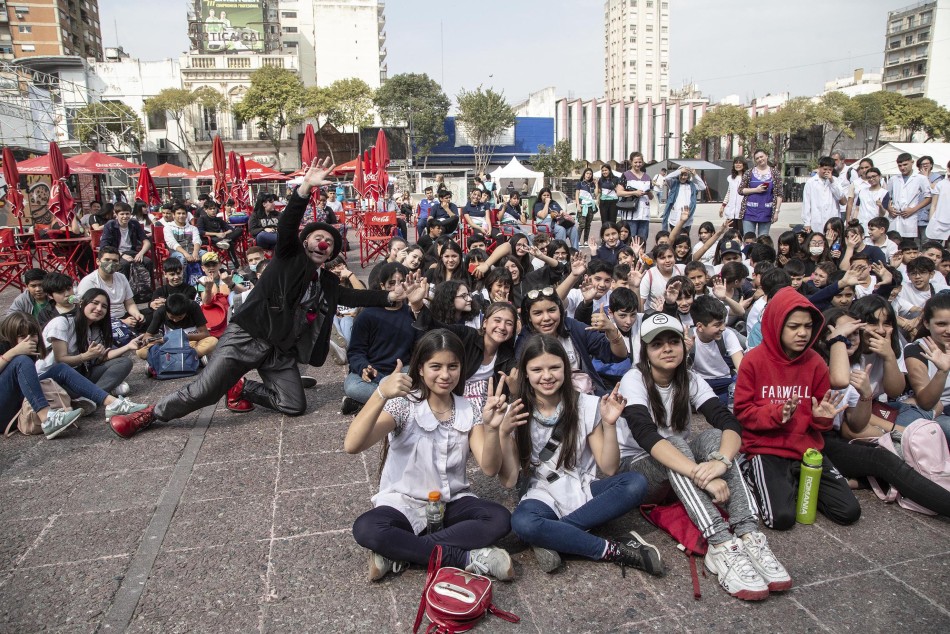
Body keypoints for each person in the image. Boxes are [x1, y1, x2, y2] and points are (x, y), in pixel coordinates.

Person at [108, 159, 419, 438]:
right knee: (204, 392)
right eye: (318, 238)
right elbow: (287, 225)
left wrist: (389, 295)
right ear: (305, 242)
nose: (323, 243)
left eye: (329, 242)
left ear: (330, 255)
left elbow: (352, 294)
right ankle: (149, 414)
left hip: (277, 351)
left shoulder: (325, 280)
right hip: (247, 336)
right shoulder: (287, 257)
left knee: (294, 405)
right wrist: (304, 190)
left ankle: (243, 386)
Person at [617, 313, 789, 599]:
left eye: (673, 342)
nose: (667, 349)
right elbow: (646, 435)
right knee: (674, 442)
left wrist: (721, 461)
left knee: (714, 438)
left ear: (684, 345)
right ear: (644, 351)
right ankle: (720, 543)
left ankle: (748, 533)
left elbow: (727, 421)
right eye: (657, 344)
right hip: (637, 472)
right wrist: (702, 476)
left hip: (678, 464)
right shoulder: (633, 380)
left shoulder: (690, 378)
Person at [346, 330, 513, 581]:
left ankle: (399, 551)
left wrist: (491, 429)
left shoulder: (469, 409)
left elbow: (489, 469)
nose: (445, 375)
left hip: (451, 503)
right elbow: (352, 445)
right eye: (436, 366)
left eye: (453, 366)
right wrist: (380, 394)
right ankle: (466, 558)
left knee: (500, 519)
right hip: (404, 504)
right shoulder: (404, 404)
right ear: (420, 369)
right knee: (368, 528)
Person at [502, 335, 664, 576]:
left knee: (636, 483)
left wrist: (609, 424)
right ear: (525, 373)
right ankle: (612, 550)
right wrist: (504, 434)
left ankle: (554, 536)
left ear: (566, 369)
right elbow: (509, 480)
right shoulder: (516, 412)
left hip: (583, 488)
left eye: (554, 367)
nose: (547, 376)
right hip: (542, 493)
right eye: (537, 370)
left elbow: (609, 468)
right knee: (522, 522)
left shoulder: (586, 404)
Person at [733, 288, 861, 530]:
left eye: (808, 326)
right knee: (780, 519)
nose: (803, 333)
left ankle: (792, 483)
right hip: (765, 450)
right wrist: (776, 413)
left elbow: (819, 417)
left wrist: (822, 419)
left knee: (848, 512)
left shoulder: (815, 363)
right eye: (794, 326)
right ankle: (751, 473)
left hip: (807, 450)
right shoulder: (753, 361)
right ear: (776, 325)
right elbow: (742, 412)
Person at [0, 312, 146, 437]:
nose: (29, 340)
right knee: (22, 360)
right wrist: (14, 352)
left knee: (60, 369)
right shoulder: (7, 347)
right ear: (10, 336)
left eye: (33, 335)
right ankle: (48, 419)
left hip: (19, 403)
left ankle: (112, 403)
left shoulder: (31, 350)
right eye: (22, 336)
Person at [341, 262, 420, 414]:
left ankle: (368, 404)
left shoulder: (412, 313)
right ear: (383, 286)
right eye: (392, 283)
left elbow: (421, 348)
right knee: (352, 387)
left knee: (421, 380)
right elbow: (355, 352)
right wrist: (364, 368)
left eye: (401, 282)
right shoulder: (367, 315)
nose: (397, 288)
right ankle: (396, 402)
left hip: (402, 371)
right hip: (372, 373)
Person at [37, 289, 146, 397]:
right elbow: (60, 360)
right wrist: (86, 356)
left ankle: (90, 397)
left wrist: (128, 346)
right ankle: (97, 395)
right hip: (52, 379)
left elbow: (102, 356)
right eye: (95, 303)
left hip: (78, 373)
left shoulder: (93, 328)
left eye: (104, 306)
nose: (99, 309)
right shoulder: (61, 322)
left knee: (124, 362)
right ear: (82, 303)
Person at [137, 292, 219, 363]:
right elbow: (148, 335)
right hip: (170, 347)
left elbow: (205, 334)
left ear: (186, 312)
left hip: (192, 344)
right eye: (172, 317)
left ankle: (167, 360)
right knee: (140, 351)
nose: (175, 320)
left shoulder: (193, 306)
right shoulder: (160, 312)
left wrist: (182, 337)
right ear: (166, 311)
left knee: (213, 341)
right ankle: (192, 359)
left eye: (180, 317)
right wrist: (148, 340)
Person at [76, 247, 146, 330]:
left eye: (115, 261)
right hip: (101, 321)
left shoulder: (122, 277)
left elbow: (129, 303)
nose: (111, 263)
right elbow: (86, 312)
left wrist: (137, 314)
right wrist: (121, 322)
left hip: (123, 316)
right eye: (107, 260)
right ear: (98, 261)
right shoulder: (89, 281)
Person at [99, 202, 152, 278]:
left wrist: (141, 253)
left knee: (148, 262)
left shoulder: (134, 223)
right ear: (116, 214)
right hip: (116, 253)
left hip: (133, 252)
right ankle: (124, 284)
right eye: (122, 214)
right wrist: (122, 255)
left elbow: (146, 242)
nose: (125, 216)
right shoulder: (110, 225)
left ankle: (148, 285)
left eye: (127, 214)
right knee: (124, 264)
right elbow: (104, 246)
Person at [886, 152, 932, 240]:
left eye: (905, 164)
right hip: (895, 217)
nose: (902, 168)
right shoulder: (893, 179)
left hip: (910, 217)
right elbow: (886, 197)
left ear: (912, 162)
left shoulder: (921, 178)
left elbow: (929, 197)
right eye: (900, 166)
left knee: (908, 243)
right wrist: (889, 209)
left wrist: (913, 210)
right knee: (893, 242)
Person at [616, 152, 653, 243]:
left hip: (644, 215)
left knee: (642, 241)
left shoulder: (647, 177)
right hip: (630, 214)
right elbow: (619, 192)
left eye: (640, 162)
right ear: (631, 162)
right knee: (630, 240)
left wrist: (648, 193)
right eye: (635, 162)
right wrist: (634, 192)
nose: (638, 164)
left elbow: (651, 197)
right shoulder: (625, 175)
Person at [801, 157, 845, 235]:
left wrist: (832, 181)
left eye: (829, 170)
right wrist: (807, 222)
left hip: (832, 217)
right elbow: (806, 203)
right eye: (824, 169)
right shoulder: (811, 182)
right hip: (817, 219)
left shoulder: (835, 180)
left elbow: (840, 196)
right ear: (819, 167)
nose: (827, 172)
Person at [197, 200, 244, 267]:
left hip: (222, 237)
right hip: (211, 239)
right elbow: (200, 231)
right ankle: (236, 265)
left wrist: (224, 233)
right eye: (210, 209)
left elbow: (230, 228)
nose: (213, 210)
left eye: (214, 208)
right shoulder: (202, 219)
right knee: (229, 243)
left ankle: (226, 240)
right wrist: (216, 234)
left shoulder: (218, 219)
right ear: (205, 210)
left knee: (239, 230)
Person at [664, 167, 707, 234]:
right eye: (681, 175)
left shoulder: (692, 185)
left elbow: (703, 187)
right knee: (674, 237)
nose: (683, 177)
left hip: (687, 218)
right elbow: (667, 178)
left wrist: (695, 175)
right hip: (675, 218)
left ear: (688, 176)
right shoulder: (673, 184)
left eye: (685, 175)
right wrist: (679, 171)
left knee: (685, 237)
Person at [721, 157, 747, 232]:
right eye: (736, 163)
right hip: (731, 212)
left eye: (740, 163)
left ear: (744, 165)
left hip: (742, 211)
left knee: (742, 233)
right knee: (731, 233)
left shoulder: (747, 178)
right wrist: (723, 206)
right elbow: (729, 192)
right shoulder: (731, 178)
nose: (737, 165)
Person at [575, 167, 598, 247]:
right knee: (582, 224)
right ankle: (577, 240)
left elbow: (596, 194)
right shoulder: (580, 183)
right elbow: (577, 194)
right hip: (582, 206)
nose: (589, 175)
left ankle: (585, 241)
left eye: (590, 174)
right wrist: (578, 205)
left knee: (588, 225)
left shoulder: (592, 184)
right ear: (584, 174)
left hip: (590, 206)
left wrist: (596, 184)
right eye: (587, 173)